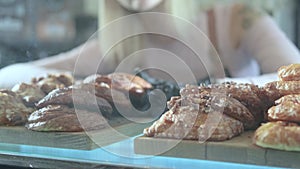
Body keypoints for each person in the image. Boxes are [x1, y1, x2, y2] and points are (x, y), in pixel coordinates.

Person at [0, 0, 299, 88]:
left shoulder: (237, 18)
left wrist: (218, 89)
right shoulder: (119, 43)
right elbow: (14, 74)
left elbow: (295, 74)